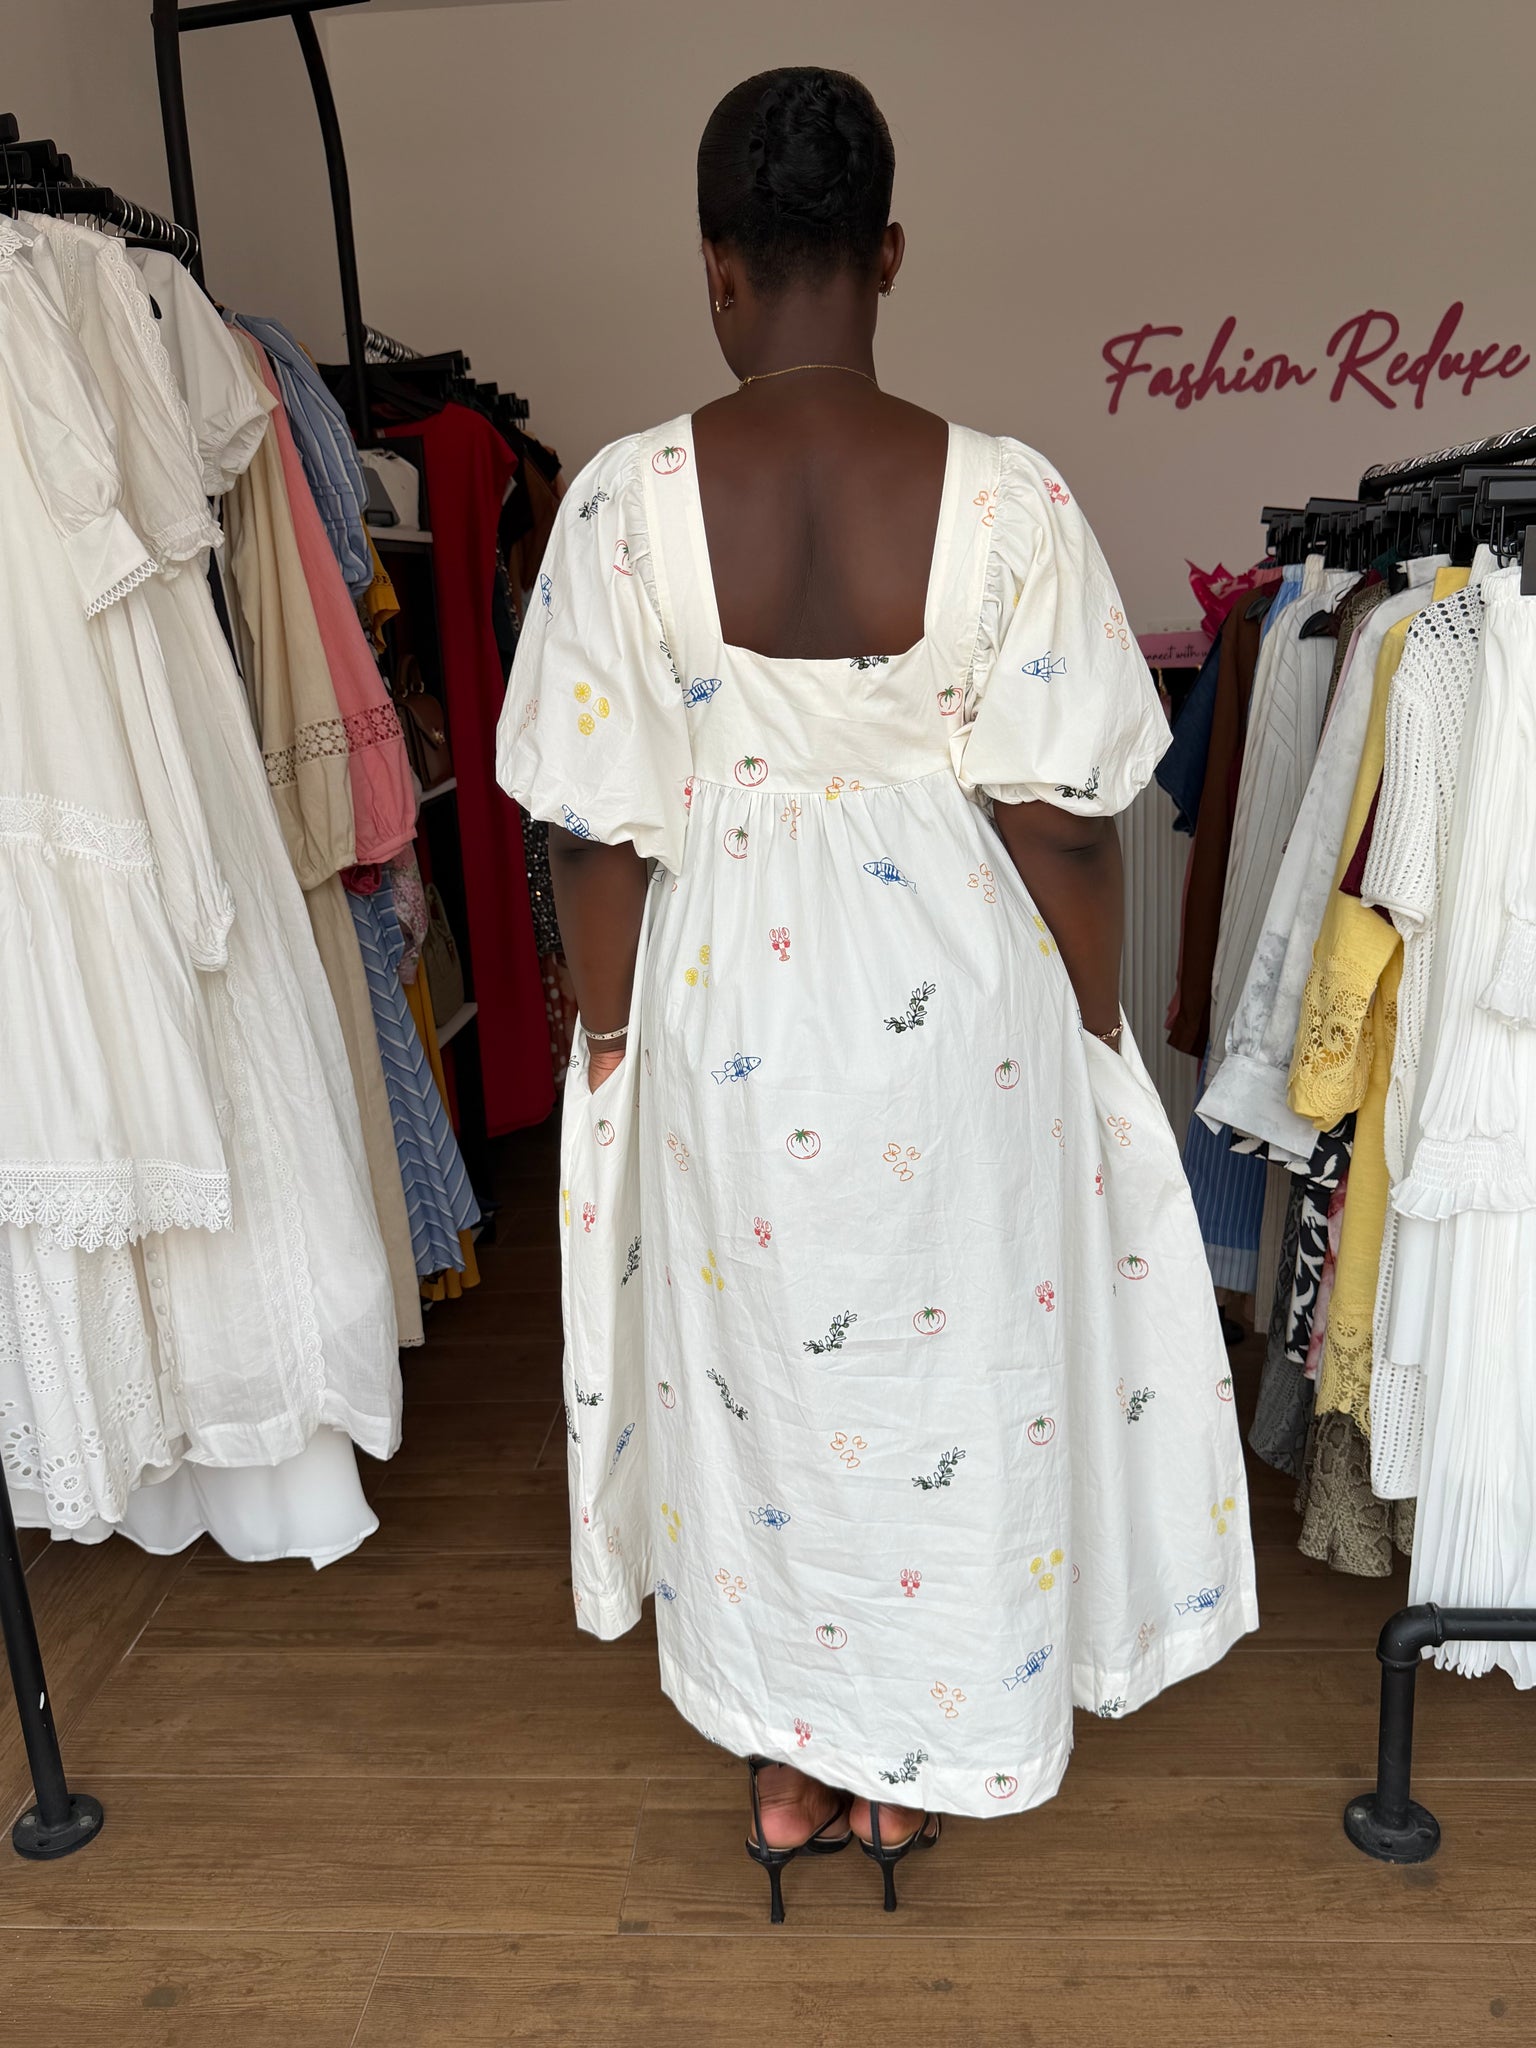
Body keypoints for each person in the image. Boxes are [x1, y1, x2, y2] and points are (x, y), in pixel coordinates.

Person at [498, 65, 1256, 1923]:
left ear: (715, 268)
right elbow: (1069, 826)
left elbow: (590, 832)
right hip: (959, 1010)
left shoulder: (619, 505)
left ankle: (787, 1762)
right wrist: (1093, 1032)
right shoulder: (1012, 499)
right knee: (952, 1371)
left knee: (755, 1376)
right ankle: (924, 1760)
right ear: (891, 251)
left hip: (727, 1013)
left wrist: (611, 1036)